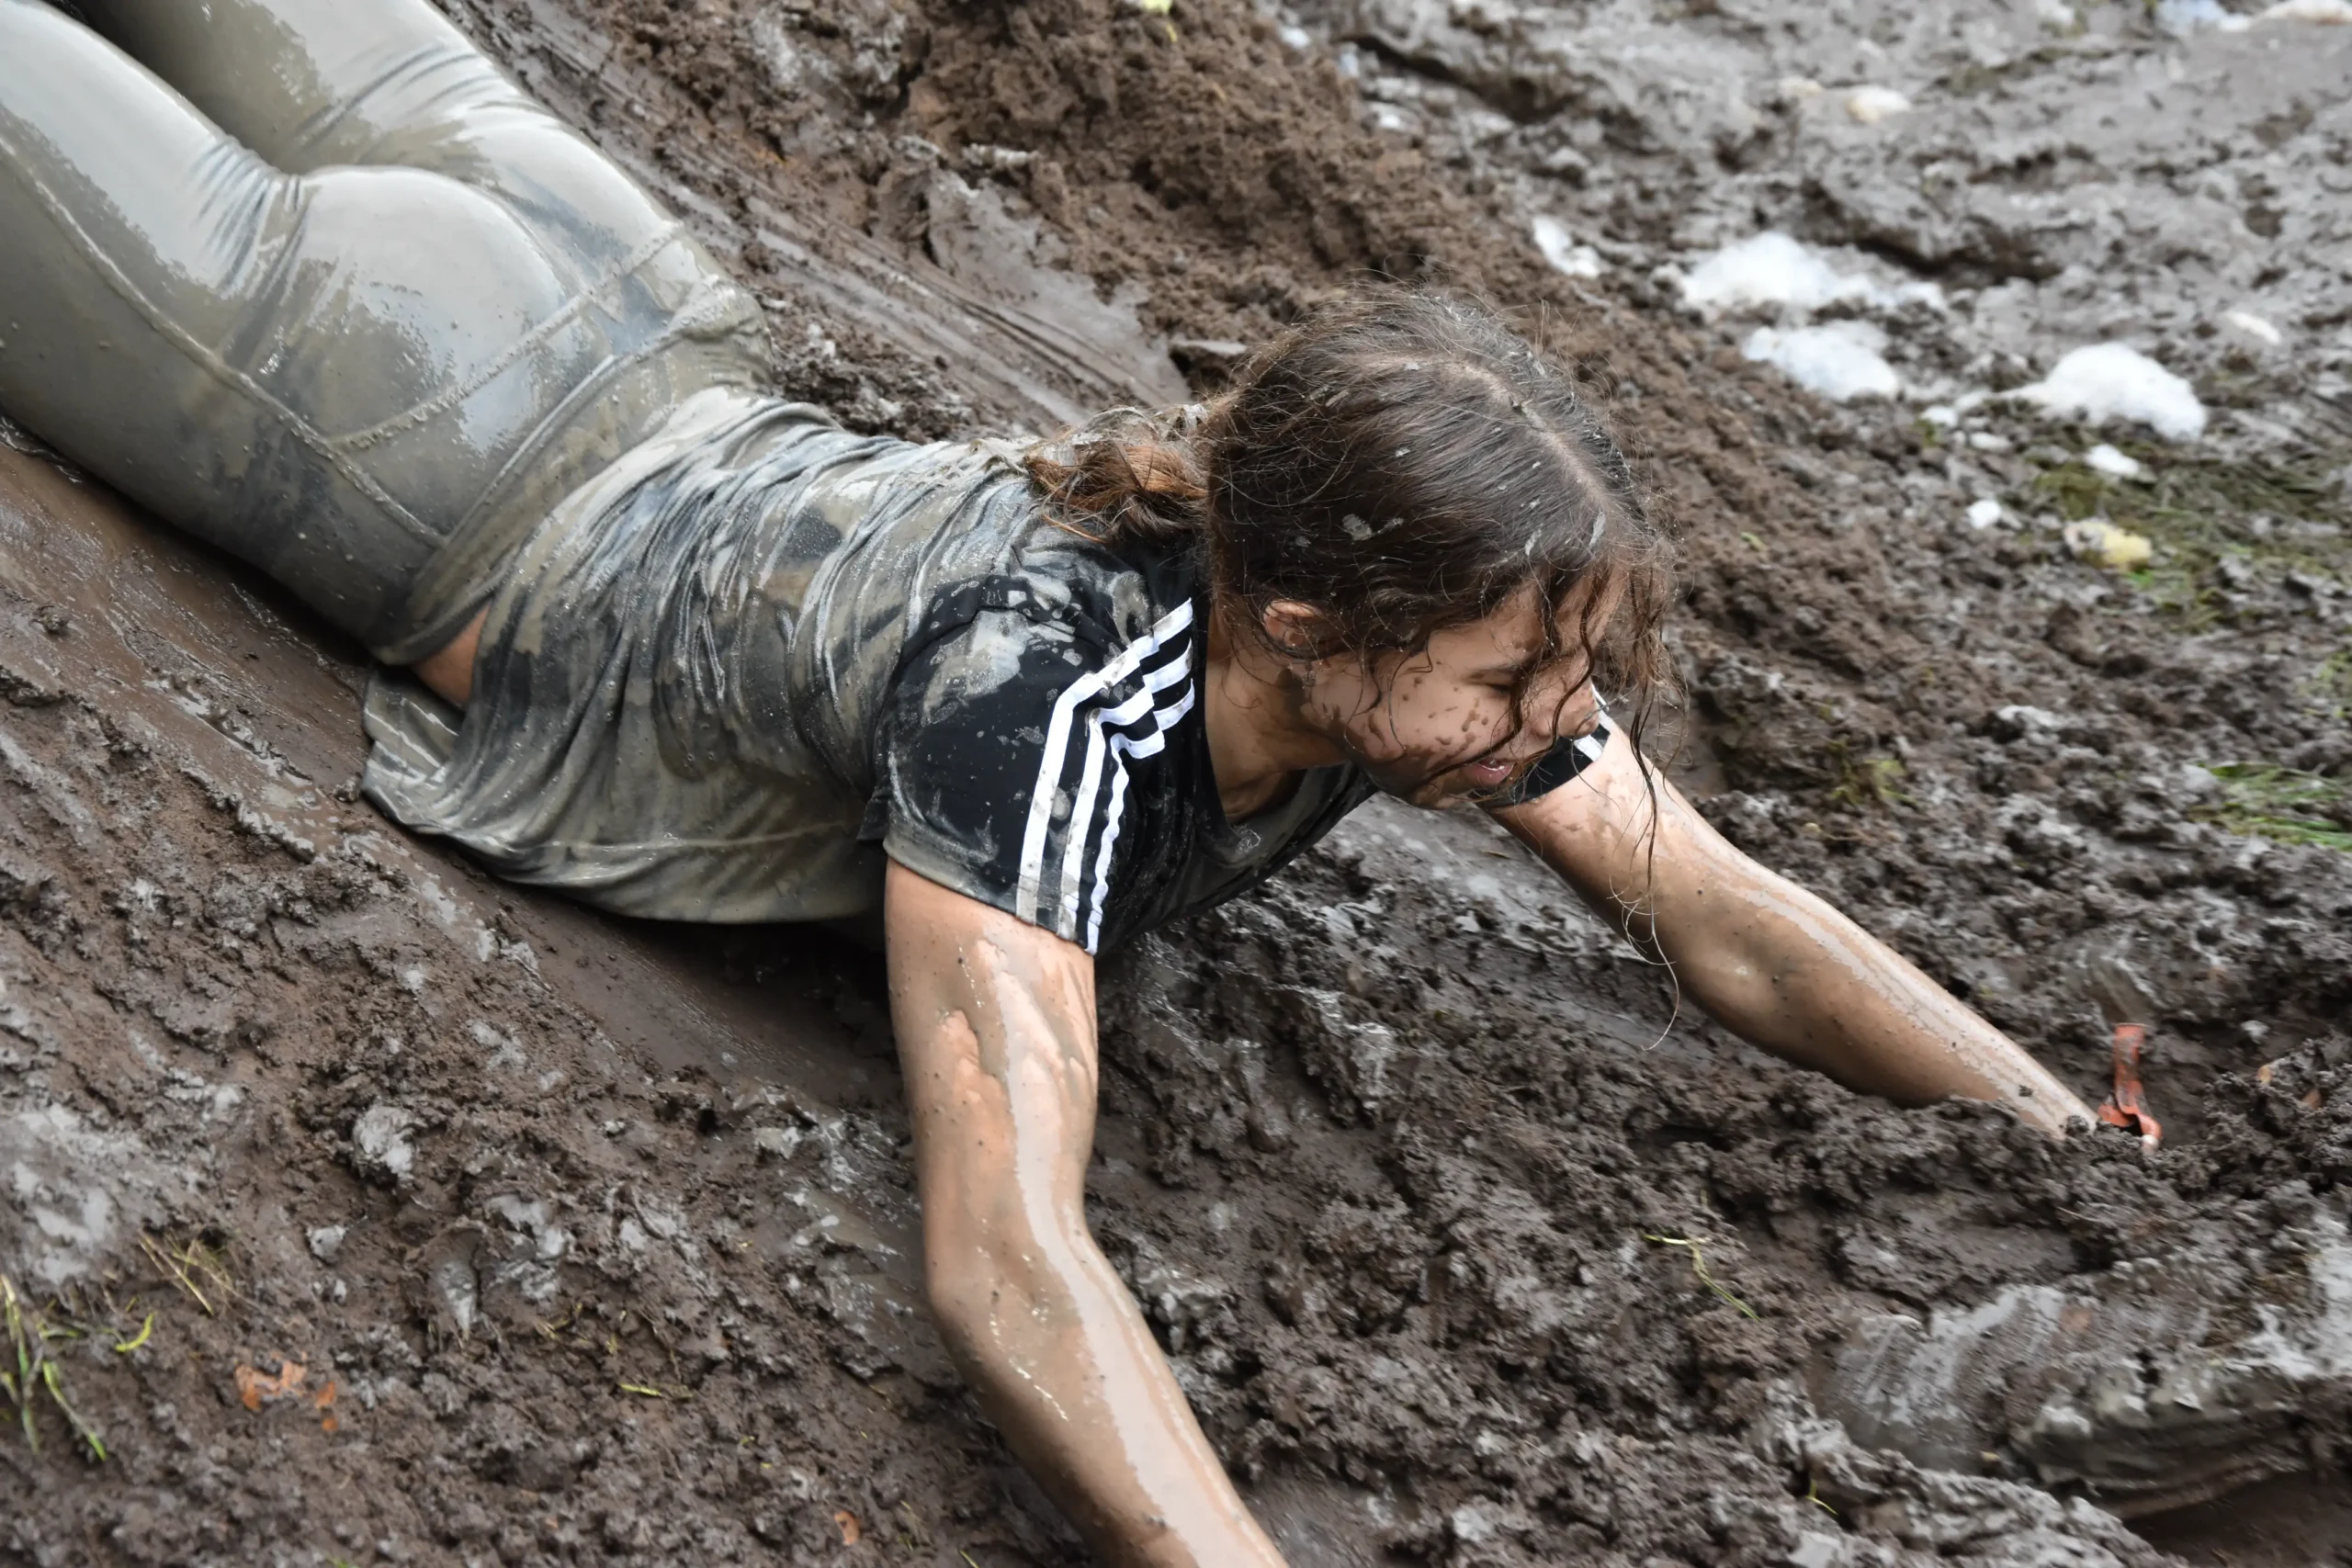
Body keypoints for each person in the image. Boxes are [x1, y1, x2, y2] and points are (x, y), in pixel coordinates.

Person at [0, 1, 2098, 1560]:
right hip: (385, 405)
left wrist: (2069, 1149)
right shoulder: (1046, 703)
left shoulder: (1354, 614)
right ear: (1310, 621)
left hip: (613, 289)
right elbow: (1005, 1254)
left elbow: (1725, 913)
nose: (1551, 725)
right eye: (1505, 679)